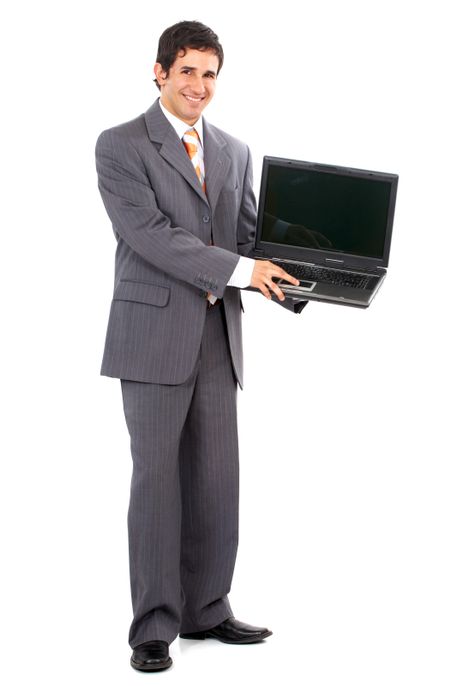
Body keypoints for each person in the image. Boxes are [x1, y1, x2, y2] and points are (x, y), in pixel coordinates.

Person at [95, 20, 307, 673]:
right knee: (157, 482)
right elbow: (152, 236)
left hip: (218, 335)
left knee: (217, 481)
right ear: (159, 72)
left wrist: (308, 269)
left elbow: (246, 239)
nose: (199, 85)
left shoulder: (236, 150)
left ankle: (207, 610)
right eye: (187, 71)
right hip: (154, 333)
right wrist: (244, 270)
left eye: (210, 73)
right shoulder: (121, 145)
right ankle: (153, 626)